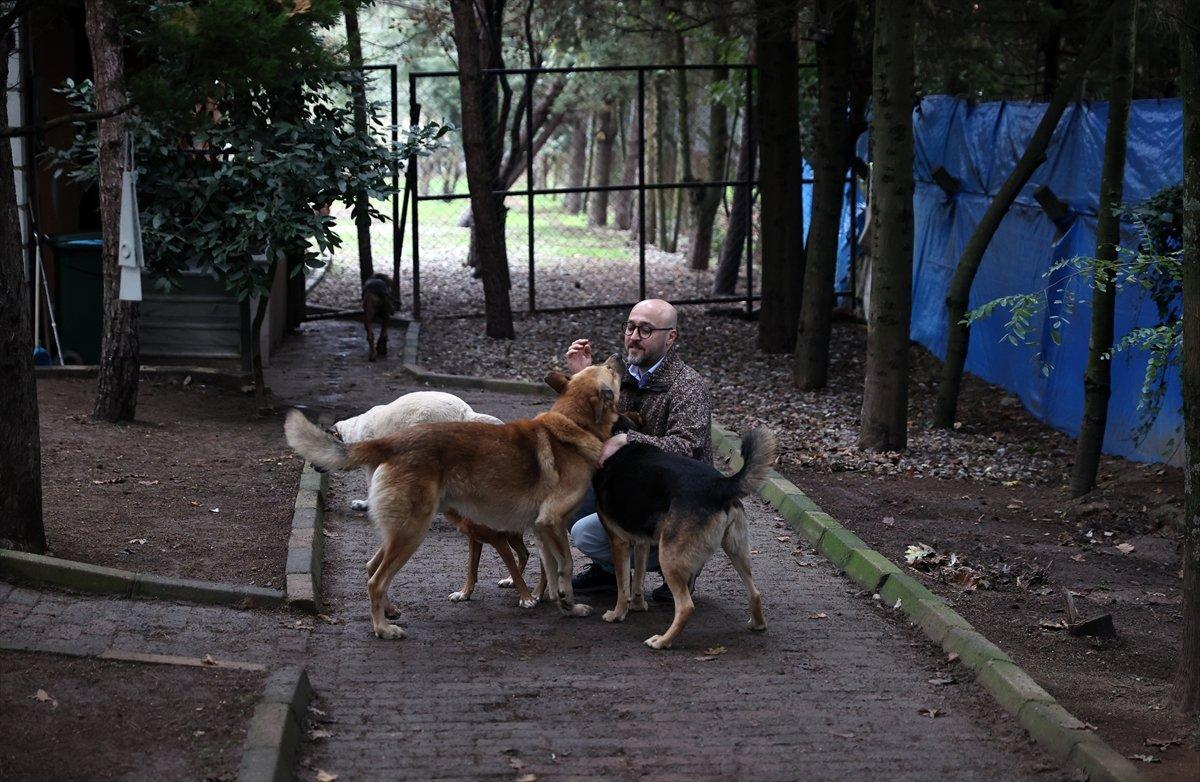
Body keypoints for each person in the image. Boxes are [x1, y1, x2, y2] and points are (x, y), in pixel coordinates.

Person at [565, 298, 713, 602]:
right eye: (630, 327)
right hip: (630, 489)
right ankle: (608, 572)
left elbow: (689, 447)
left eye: (646, 330)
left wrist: (630, 440)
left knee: (585, 533)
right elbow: (594, 423)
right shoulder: (623, 375)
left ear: (670, 337)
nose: (634, 336)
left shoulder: (688, 385)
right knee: (567, 495)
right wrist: (582, 378)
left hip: (675, 502)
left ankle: (683, 567)